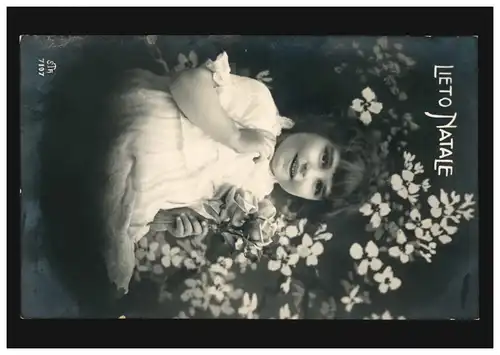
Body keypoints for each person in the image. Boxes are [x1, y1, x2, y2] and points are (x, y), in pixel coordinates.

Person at [102, 51, 377, 294]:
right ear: (319, 129)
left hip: (143, 188)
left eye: (318, 187)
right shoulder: (261, 109)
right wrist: (234, 135)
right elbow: (186, 84)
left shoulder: (254, 197)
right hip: (143, 120)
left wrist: (180, 219)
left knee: (113, 246)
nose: (309, 171)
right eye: (324, 157)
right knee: (126, 149)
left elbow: (183, 192)